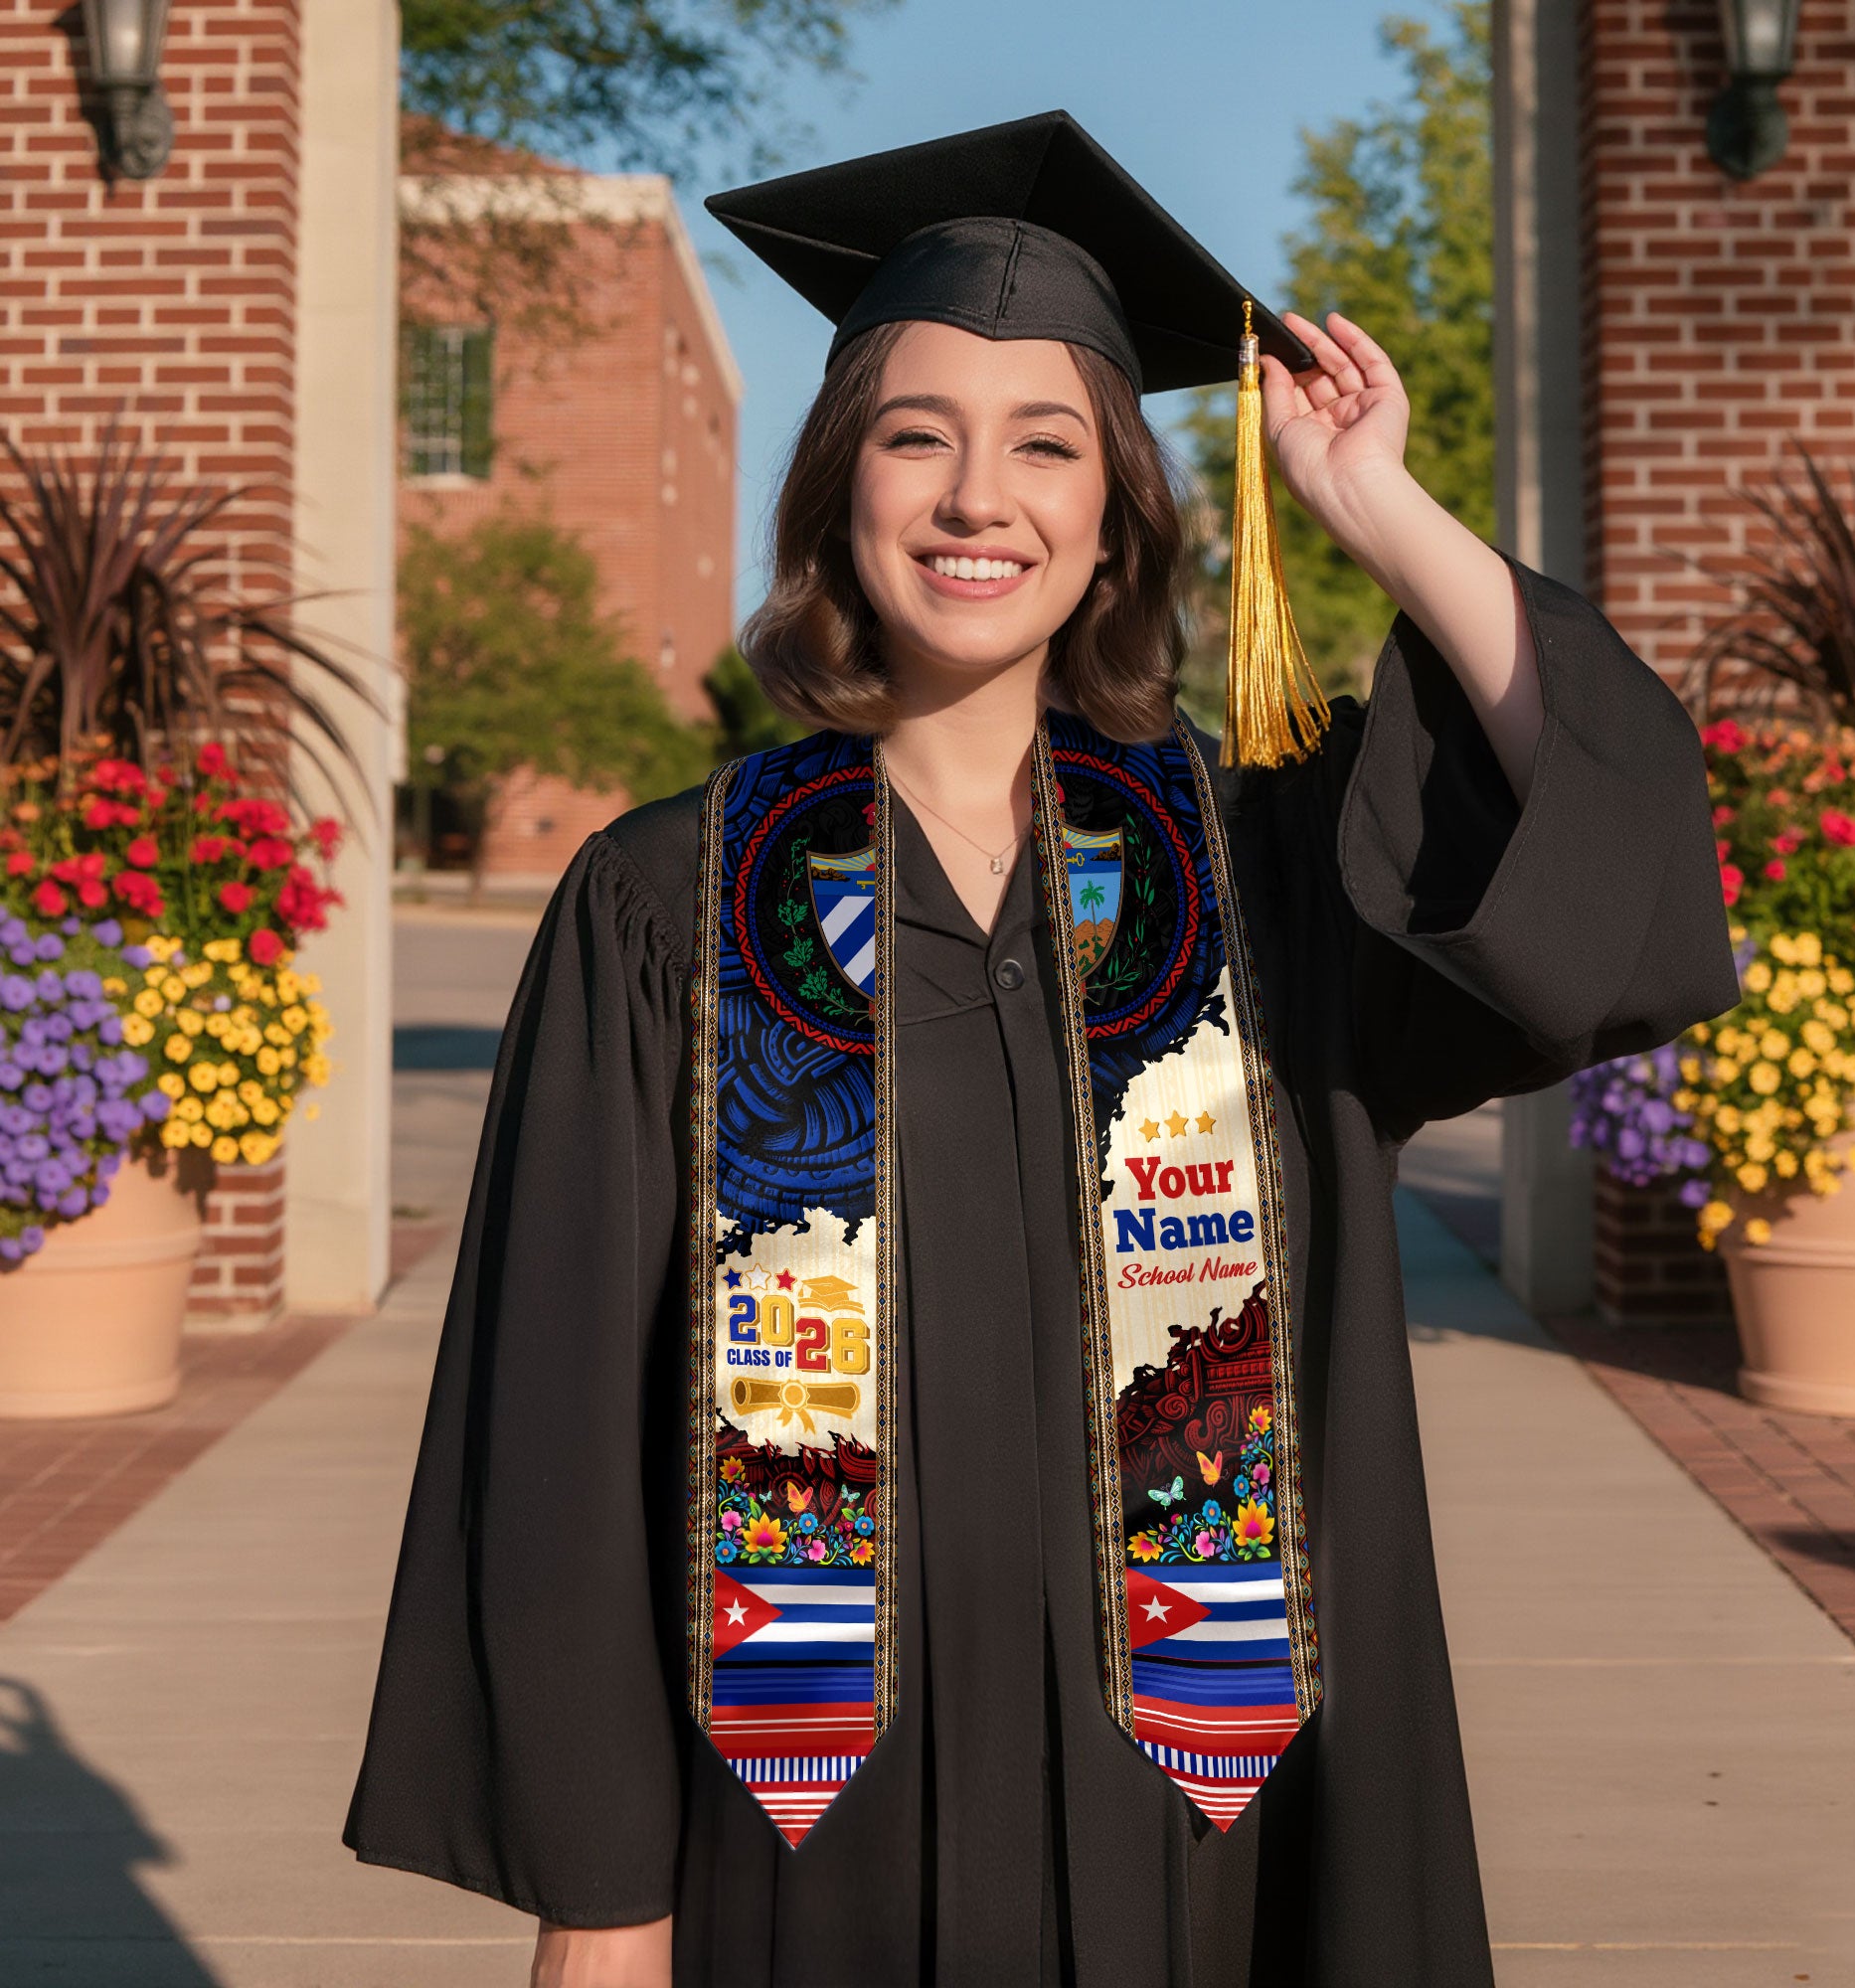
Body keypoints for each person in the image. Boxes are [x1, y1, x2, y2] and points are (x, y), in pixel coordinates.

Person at [342, 112, 1738, 1988]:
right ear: (842, 486)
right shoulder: (667, 904)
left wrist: (1374, 505)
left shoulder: (1263, 886)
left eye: (1046, 445)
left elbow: (1605, 858)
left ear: (1115, 519)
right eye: (918, 436)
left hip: (1217, 1844)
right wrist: (602, 1902)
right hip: (802, 1846)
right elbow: (561, 1433)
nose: (976, 497)